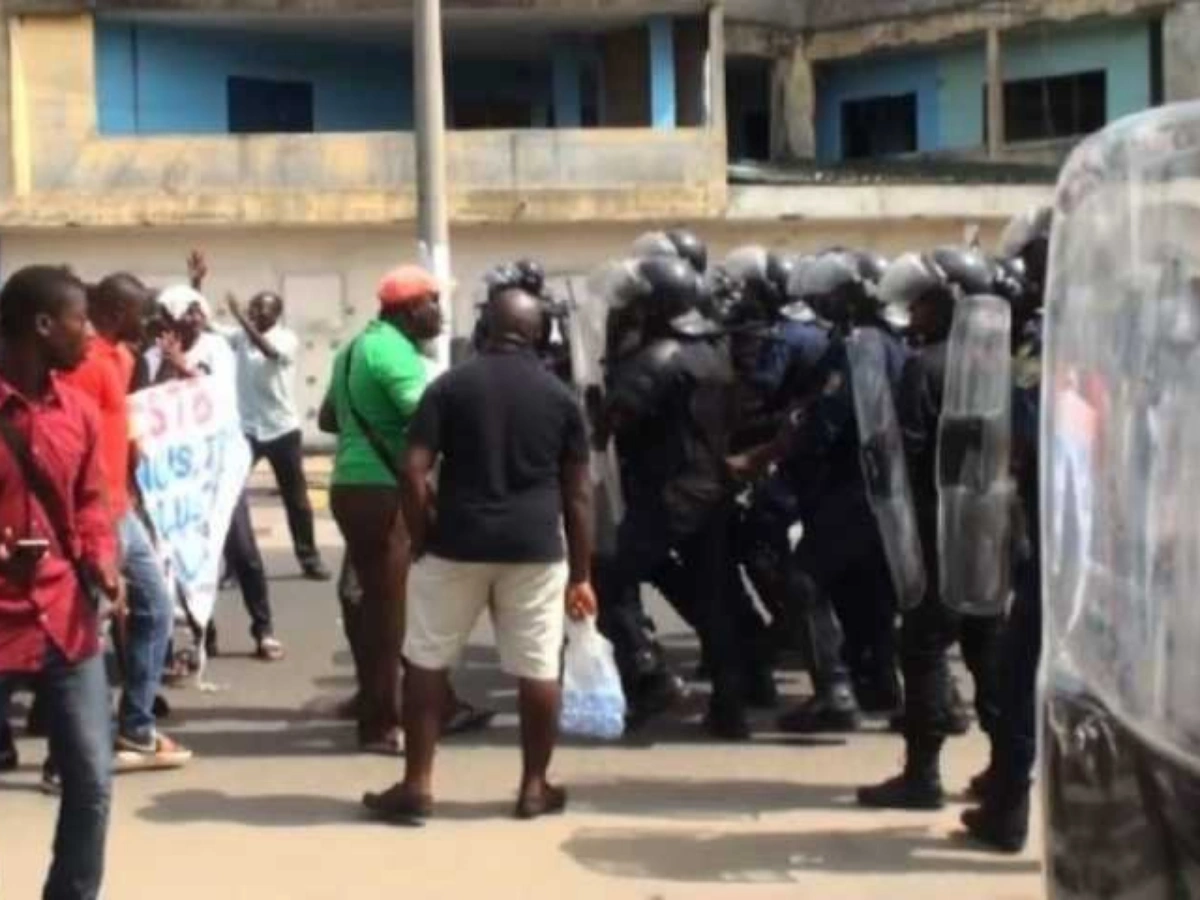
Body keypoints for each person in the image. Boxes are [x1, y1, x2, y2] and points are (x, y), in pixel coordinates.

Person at [363, 287, 597, 822]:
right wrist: (581, 573)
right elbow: (579, 494)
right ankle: (534, 787)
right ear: (541, 335)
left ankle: (417, 785)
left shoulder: (449, 388)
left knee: (426, 660)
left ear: (485, 328)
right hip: (535, 548)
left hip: (456, 544)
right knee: (538, 667)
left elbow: (412, 472)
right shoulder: (561, 397)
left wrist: (422, 536)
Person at [321, 265, 490, 755]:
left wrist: (367, 422)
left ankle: (413, 701)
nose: (440, 314)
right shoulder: (395, 353)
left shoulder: (354, 347)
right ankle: (382, 723)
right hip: (383, 491)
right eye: (434, 302)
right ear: (411, 307)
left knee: (371, 600)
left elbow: (329, 416)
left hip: (352, 483)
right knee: (389, 613)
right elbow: (427, 418)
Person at [596, 256, 764, 740]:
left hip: (669, 492)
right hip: (710, 489)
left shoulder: (660, 357)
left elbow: (612, 417)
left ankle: (648, 675)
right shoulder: (713, 350)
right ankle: (731, 708)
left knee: (605, 575)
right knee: (713, 597)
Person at [0, 265, 120, 900]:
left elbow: (91, 502)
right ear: (43, 325)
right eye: (82, 320)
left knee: (93, 780)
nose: (92, 335)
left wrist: (102, 554)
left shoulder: (77, 408)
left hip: (62, 615)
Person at [62, 273, 192, 771]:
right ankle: (70, 752)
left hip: (124, 508)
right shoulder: (84, 363)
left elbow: (127, 427)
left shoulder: (122, 360)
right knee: (81, 630)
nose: (150, 323)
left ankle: (135, 728)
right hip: (96, 512)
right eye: (143, 313)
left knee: (156, 610)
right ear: (118, 311)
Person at [151, 284, 284, 662]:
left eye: (199, 311)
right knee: (186, 559)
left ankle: (264, 630)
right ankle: (200, 636)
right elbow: (147, 401)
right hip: (177, 476)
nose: (196, 318)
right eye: (187, 312)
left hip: (219, 467)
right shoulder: (150, 355)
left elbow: (217, 399)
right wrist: (165, 362)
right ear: (170, 318)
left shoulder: (217, 350)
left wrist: (183, 368)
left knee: (243, 550)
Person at [188, 251, 330, 581]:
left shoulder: (286, 339)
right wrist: (197, 282)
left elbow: (268, 351)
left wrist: (240, 317)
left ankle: (309, 558)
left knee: (297, 500)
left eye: (260, 309)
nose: (253, 312)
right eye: (251, 307)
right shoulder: (239, 337)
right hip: (247, 430)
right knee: (230, 498)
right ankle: (234, 566)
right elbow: (206, 323)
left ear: (276, 314)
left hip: (282, 430)